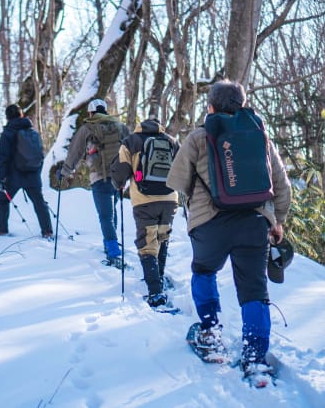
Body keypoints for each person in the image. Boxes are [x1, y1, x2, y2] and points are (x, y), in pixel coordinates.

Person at [166, 80, 291, 379]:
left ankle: (210, 333)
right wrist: (277, 221)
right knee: (254, 289)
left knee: (204, 271)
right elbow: (282, 186)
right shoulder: (260, 137)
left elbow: (177, 181)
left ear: (210, 106)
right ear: (243, 103)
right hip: (254, 223)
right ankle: (255, 358)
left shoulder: (199, 137)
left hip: (209, 223)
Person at [111, 117, 179, 308]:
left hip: (144, 200)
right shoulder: (172, 141)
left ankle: (155, 292)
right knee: (162, 238)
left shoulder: (131, 141)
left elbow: (120, 172)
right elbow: (184, 169)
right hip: (169, 199)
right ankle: (159, 278)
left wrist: (118, 184)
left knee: (147, 243)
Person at [57, 99, 130, 267]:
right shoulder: (120, 126)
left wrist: (65, 171)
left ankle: (112, 250)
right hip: (119, 177)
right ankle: (112, 242)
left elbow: (75, 152)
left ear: (91, 113)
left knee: (105, 215)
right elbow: (131, 149)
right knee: (112, 211)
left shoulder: (87, 128)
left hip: (99, 177)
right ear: (105, 110)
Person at [0, 104, 53, 238]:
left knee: (2, 200)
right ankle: (47, 231)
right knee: (39, 202)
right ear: (21, 115)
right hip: (33, 175)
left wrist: (2, 178)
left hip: (14, 176)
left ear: (7, 117)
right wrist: (36, 173)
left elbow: (3, 157)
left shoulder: (7, 133)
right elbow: (40, 156)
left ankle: (1, 231)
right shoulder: (33, 133)